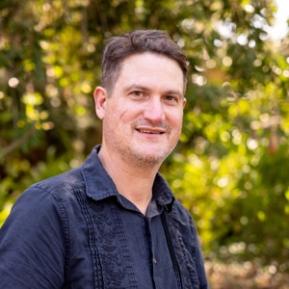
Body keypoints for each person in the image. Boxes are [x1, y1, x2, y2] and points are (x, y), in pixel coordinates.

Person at [0, 29, 209, 289]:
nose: (156, 114)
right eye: (138, 94)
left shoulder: (181, 224)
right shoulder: (49, 210)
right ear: (102, 102)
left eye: (169, 98)